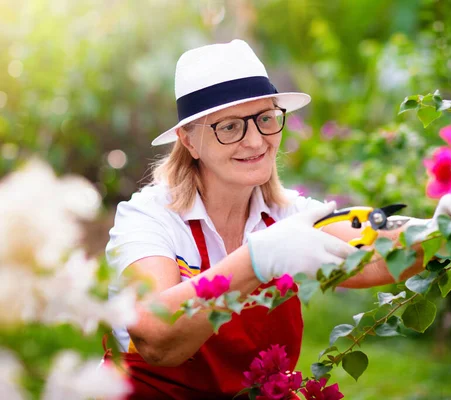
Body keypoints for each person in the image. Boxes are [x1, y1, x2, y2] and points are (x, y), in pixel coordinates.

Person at [105, 39, 428, 399]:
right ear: (189, 141)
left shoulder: (289, 214)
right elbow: (155, 337)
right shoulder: (148, 219)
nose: (257, 142)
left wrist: (444, 227)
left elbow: (378, 255)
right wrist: (258, 258)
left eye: (265, 118)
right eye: (229, 127)